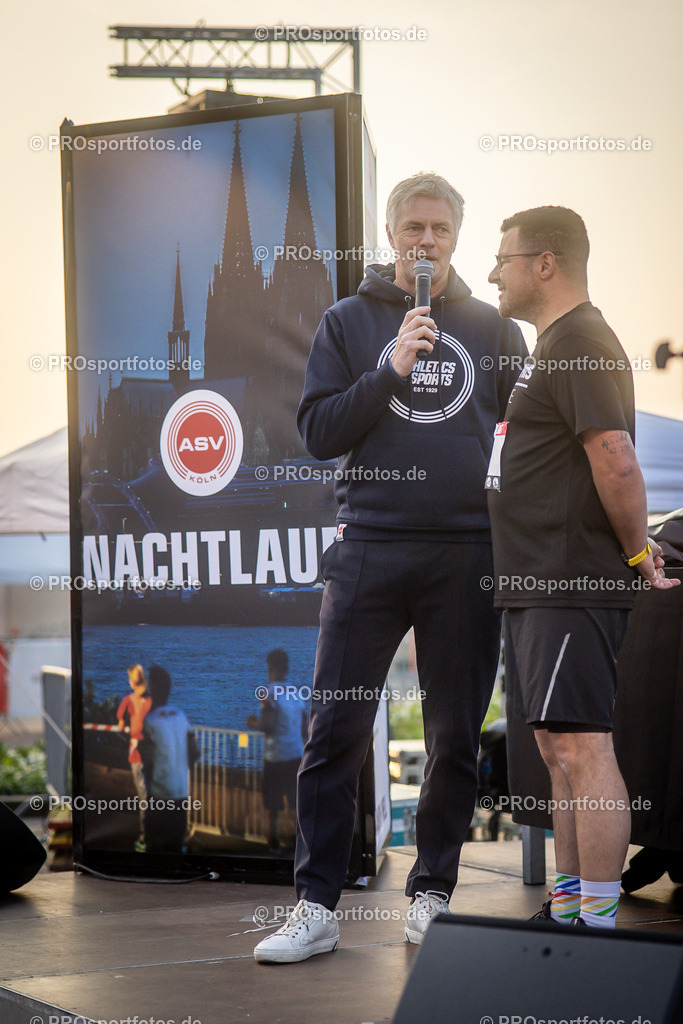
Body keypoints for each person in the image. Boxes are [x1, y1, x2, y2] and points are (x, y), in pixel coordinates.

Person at [253, 172, 527, 963]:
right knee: (332, 729)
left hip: (467, 553)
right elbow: (317, 429)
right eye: (412, 227)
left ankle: (432, 892)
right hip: (369, 547)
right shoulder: (348, 321)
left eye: (439, 228)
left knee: (451, 735)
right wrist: (389, 369)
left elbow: (525, 434)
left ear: (456, 236)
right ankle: (315, 906)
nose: (425, 241)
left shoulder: (493, 327)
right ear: (389, 232)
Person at [486, 206, 679, 928]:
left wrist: (636, 554)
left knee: (582, 746)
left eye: (501, 258)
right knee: (554, 747)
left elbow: (615, 458)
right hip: (537, 583)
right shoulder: (555, 346)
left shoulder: (583, 341)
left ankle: (594, 922)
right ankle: (567, 911)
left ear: (544, 263)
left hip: (572, 578)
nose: (492, 273)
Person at [247, 649, 308, 853]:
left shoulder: (268, 692)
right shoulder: (296, 692)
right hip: (296, 755)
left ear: (270, 668)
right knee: (294, 804)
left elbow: (268, 725)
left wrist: (253, 723)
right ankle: (297, 846)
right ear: (286, 668)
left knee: (272, 807)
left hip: (275, 757)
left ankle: (273, 847)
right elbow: (305, 727)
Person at [141, 664, 199, 854]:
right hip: (181, 792)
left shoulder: (150, 720)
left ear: (152, 689)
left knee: (155, 846)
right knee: (175, 845)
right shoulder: (181, 716)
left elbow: (148, 761)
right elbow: (194, 751)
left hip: (159, 793)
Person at [116, 664, 152, 852]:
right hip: (153, 754)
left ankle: (145, 839)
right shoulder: (152, 701)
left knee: (144, 797)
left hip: (137, 754)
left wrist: (123, 727)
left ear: (131, 681)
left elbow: (121, 724)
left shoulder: (128, 701)